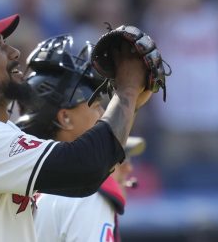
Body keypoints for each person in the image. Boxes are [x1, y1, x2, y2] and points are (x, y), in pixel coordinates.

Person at [0, 6, 152, 241]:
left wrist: (129, 105)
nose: (14, 52)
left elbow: (76, 164)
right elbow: (83, 168)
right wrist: (127, 90)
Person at [15, 35, 145, 241]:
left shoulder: (15, 187)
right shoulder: (83, 196)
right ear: (65, 117)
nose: (103, 114)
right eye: (95, 106)